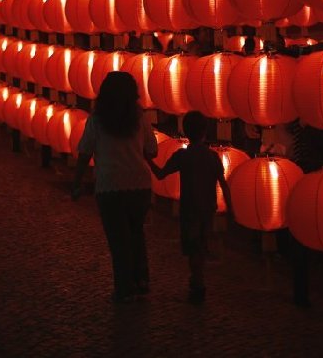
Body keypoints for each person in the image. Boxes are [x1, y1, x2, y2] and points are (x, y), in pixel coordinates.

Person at [71, 71, 158, 304]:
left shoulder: (97, 119)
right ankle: (141, 281)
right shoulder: (139, 117)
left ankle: (124, 287)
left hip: (110, 186)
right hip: (139, 184)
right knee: (136, 233)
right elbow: (153, 149)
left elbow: (85, 152)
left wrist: (77, 181)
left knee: (119, 240)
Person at [145, 110, 234, 304]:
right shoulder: (212, 157)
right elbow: (223, 184)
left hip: (189, 207)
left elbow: (160, 174)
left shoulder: (182, 156)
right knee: (201, 244)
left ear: (186, 131)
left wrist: (147, 159)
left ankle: (197, 282)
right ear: (205, 131)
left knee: (193, 246)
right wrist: (231, 208)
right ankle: (198, 281)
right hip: (207, 207)